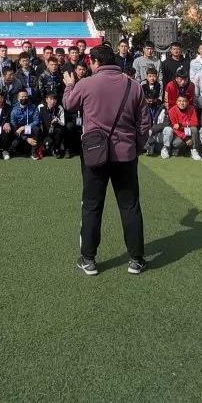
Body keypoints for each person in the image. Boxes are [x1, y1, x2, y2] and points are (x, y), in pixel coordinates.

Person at [63, 44, 147, 277]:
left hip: (94, 153)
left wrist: (69, 84)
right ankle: (136, 259)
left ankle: (88, 259)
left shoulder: (86, 84)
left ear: (95, 62)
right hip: (126, 154)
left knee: (92, 205)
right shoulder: (133, 85)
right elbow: (144, 123)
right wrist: (138, 146)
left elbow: (69, 105)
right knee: (130, 206)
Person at [162, 93, 199, 160]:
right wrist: (185, 138)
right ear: (176, 102)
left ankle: (194, 150)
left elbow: (195, 122)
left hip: (187, 131)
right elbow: (174, 128)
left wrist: (181, 124)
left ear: (187, 102)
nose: (182, 103)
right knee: (177, 143)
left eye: (184, 101)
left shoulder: (192, 109)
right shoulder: (171, 111)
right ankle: (168, 149)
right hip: (178, 135)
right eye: (179, 101)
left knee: (194, 129)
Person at [9, 88, 42, 160]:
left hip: (30, 130)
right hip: (20, 134)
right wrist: (26, 139)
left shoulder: (33, 107)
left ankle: (33, 152)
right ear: (18, 98)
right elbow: (14, 128)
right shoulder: (14, 110)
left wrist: (24, 127)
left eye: (26, 96)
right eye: (22, 97)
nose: (24, 98)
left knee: (36, 129)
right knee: (15, 144)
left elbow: (37, 121)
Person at [38, 92, 66, 158]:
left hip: (54, 130)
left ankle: (56, 149)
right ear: (46, 99)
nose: (53, 101)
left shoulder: (60, 108)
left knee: (59, 130)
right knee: (37, 129)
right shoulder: (40, 107)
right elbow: (36, 119)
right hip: (44, 130)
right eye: (51, 99)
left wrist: (57, 120)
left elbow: (63, 123)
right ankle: (40, 148)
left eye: (54, 99)